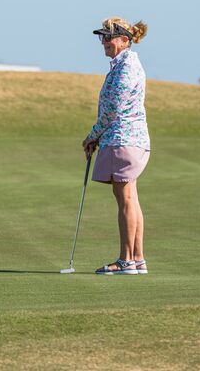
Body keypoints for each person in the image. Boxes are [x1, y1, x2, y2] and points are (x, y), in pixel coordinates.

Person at [82, 17, 151, 276]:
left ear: (124, 40)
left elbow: (113, 108)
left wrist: (92, 135)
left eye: (108, 37)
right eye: (102, 37)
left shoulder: (126, 67)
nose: (104, 42)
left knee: (126, 200)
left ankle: (126, 261)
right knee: (131, 199)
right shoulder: (124, 65)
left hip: (123, 139)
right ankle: (137, 259)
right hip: (127, 140)